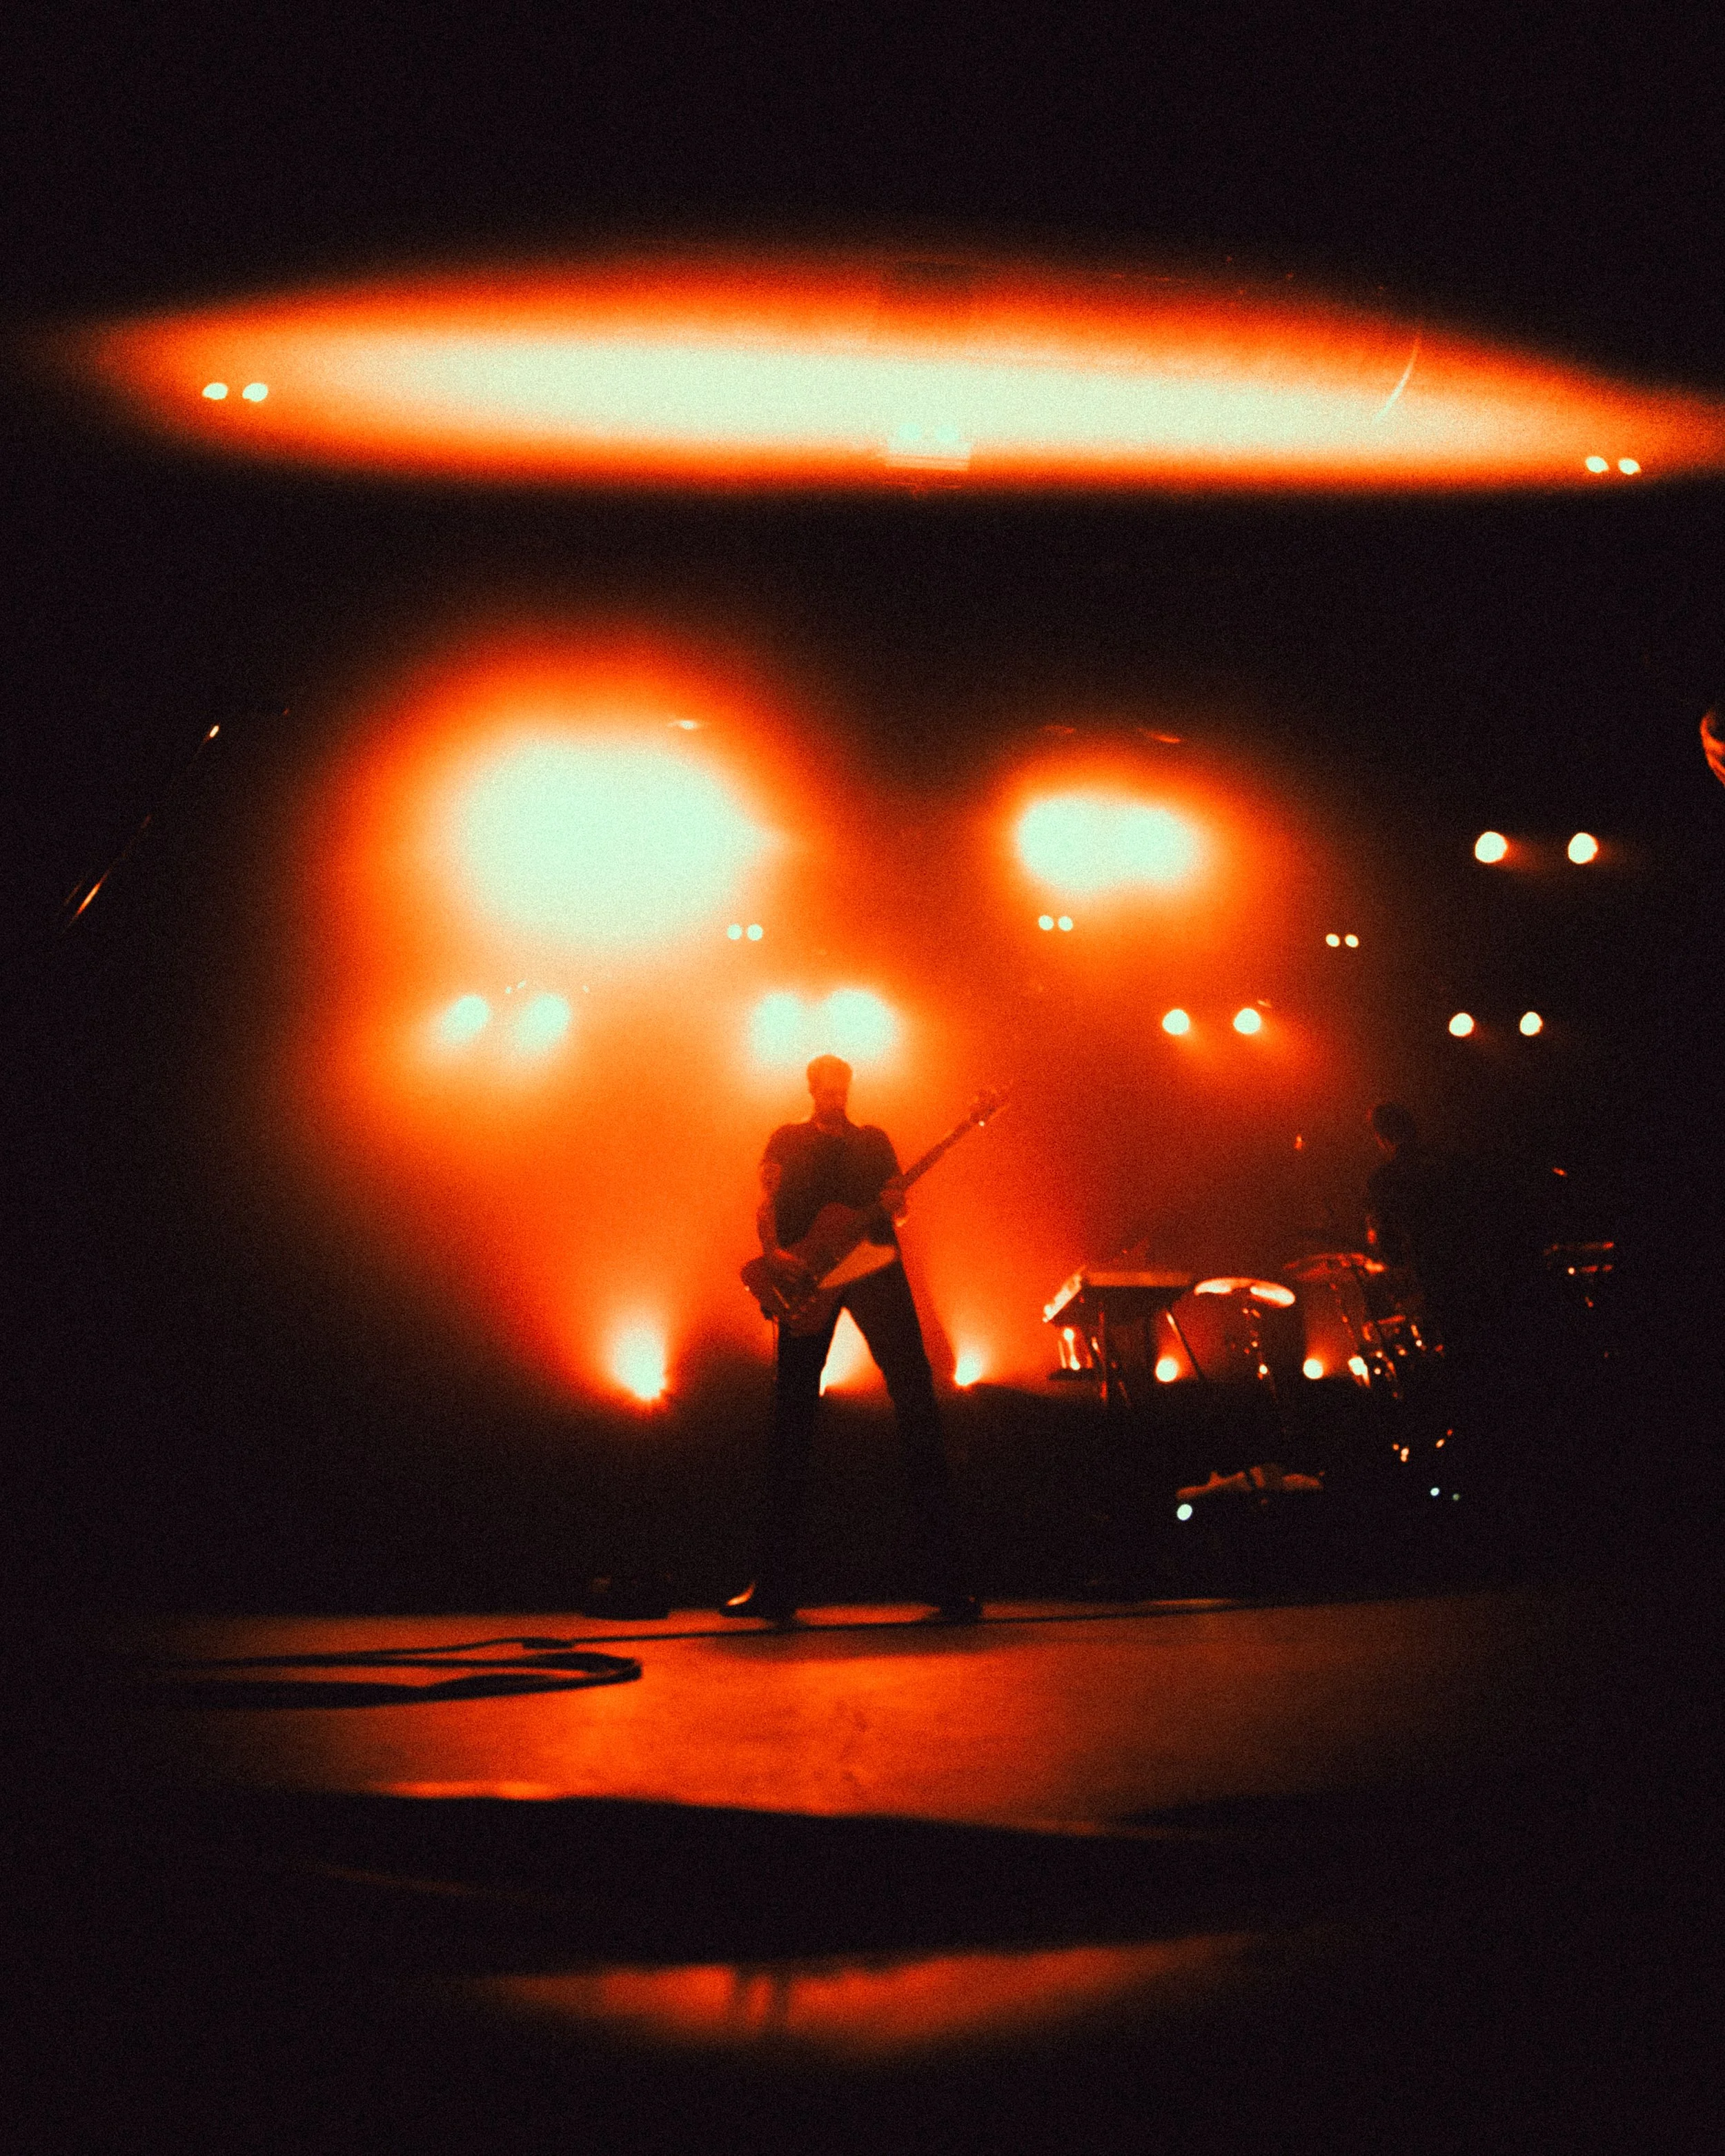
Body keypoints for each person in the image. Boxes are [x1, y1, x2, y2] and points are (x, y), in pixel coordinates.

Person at [725, 1054, 979, 1625]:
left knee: (917, 1401)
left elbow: (902, 1210)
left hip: (875, 1267)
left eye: (844, 1085)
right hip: (808, 1276)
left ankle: (949, 1581)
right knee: (792, 1416)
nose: (837, 1094)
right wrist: (773, 1254)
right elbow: (766, 1200)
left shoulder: (874, 1141)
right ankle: (774, 1585)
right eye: (828, 1086)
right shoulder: (786, 1138)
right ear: (811, 1086)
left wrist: (897, 1205)